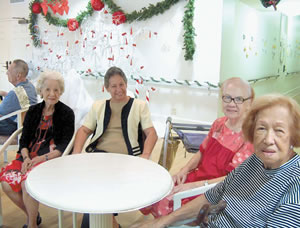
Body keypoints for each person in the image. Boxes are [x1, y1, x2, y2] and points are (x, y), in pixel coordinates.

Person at [130, 94, 300, 228]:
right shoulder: (255, 161)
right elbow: (213, 195)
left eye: (279, 131)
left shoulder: (295, 184)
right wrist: (162, 222)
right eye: (261, 128)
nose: (268, 139)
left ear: (294, 135)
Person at [140, 77, 254, 218]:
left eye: (238, 99)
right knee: (155, 192)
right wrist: (183, 170)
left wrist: (192, 186)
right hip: (198, 178)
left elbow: (230, 180)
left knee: (164, 203)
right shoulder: (219, 123)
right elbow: (202, 152)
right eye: (227, 98)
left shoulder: (249, 138)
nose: (231, 103)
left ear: (249, 103)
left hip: (214, 191)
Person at [72, 66, 158, 228]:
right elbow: (84, 130)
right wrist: (76, 153)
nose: (119, 89)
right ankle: (111, 224)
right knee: (94, 190)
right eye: (114, 86)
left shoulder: (139, 106)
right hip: (99, 156)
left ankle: (106, 223)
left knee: (96, 194)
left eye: (121, 84)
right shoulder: (98, 106)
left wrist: (145, 155)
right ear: (106, 88)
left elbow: (151, 133)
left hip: (125, 159)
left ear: (126, 84)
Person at [0, 71, 75, 228]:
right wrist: (26, 158)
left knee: (27, 183)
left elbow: (63, 147)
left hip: (50, 160)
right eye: (47, 89)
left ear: (61, 91)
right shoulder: (33, 111)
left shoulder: (66, 113)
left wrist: (41, 159)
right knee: (6, 183)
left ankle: (32, 224)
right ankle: (33, 215)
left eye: (56, 90)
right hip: (27, 157)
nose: (52, 94)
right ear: (41, 90)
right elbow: (24, 141)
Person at [0, 59, 37, 135]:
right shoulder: (30, 86)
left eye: (9, 71)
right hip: (28, 124)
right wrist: (4, 93)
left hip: (16, 127)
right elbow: (20, 99)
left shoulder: (14, 93)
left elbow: (1, 112)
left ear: (18, 76)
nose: (7, 73)